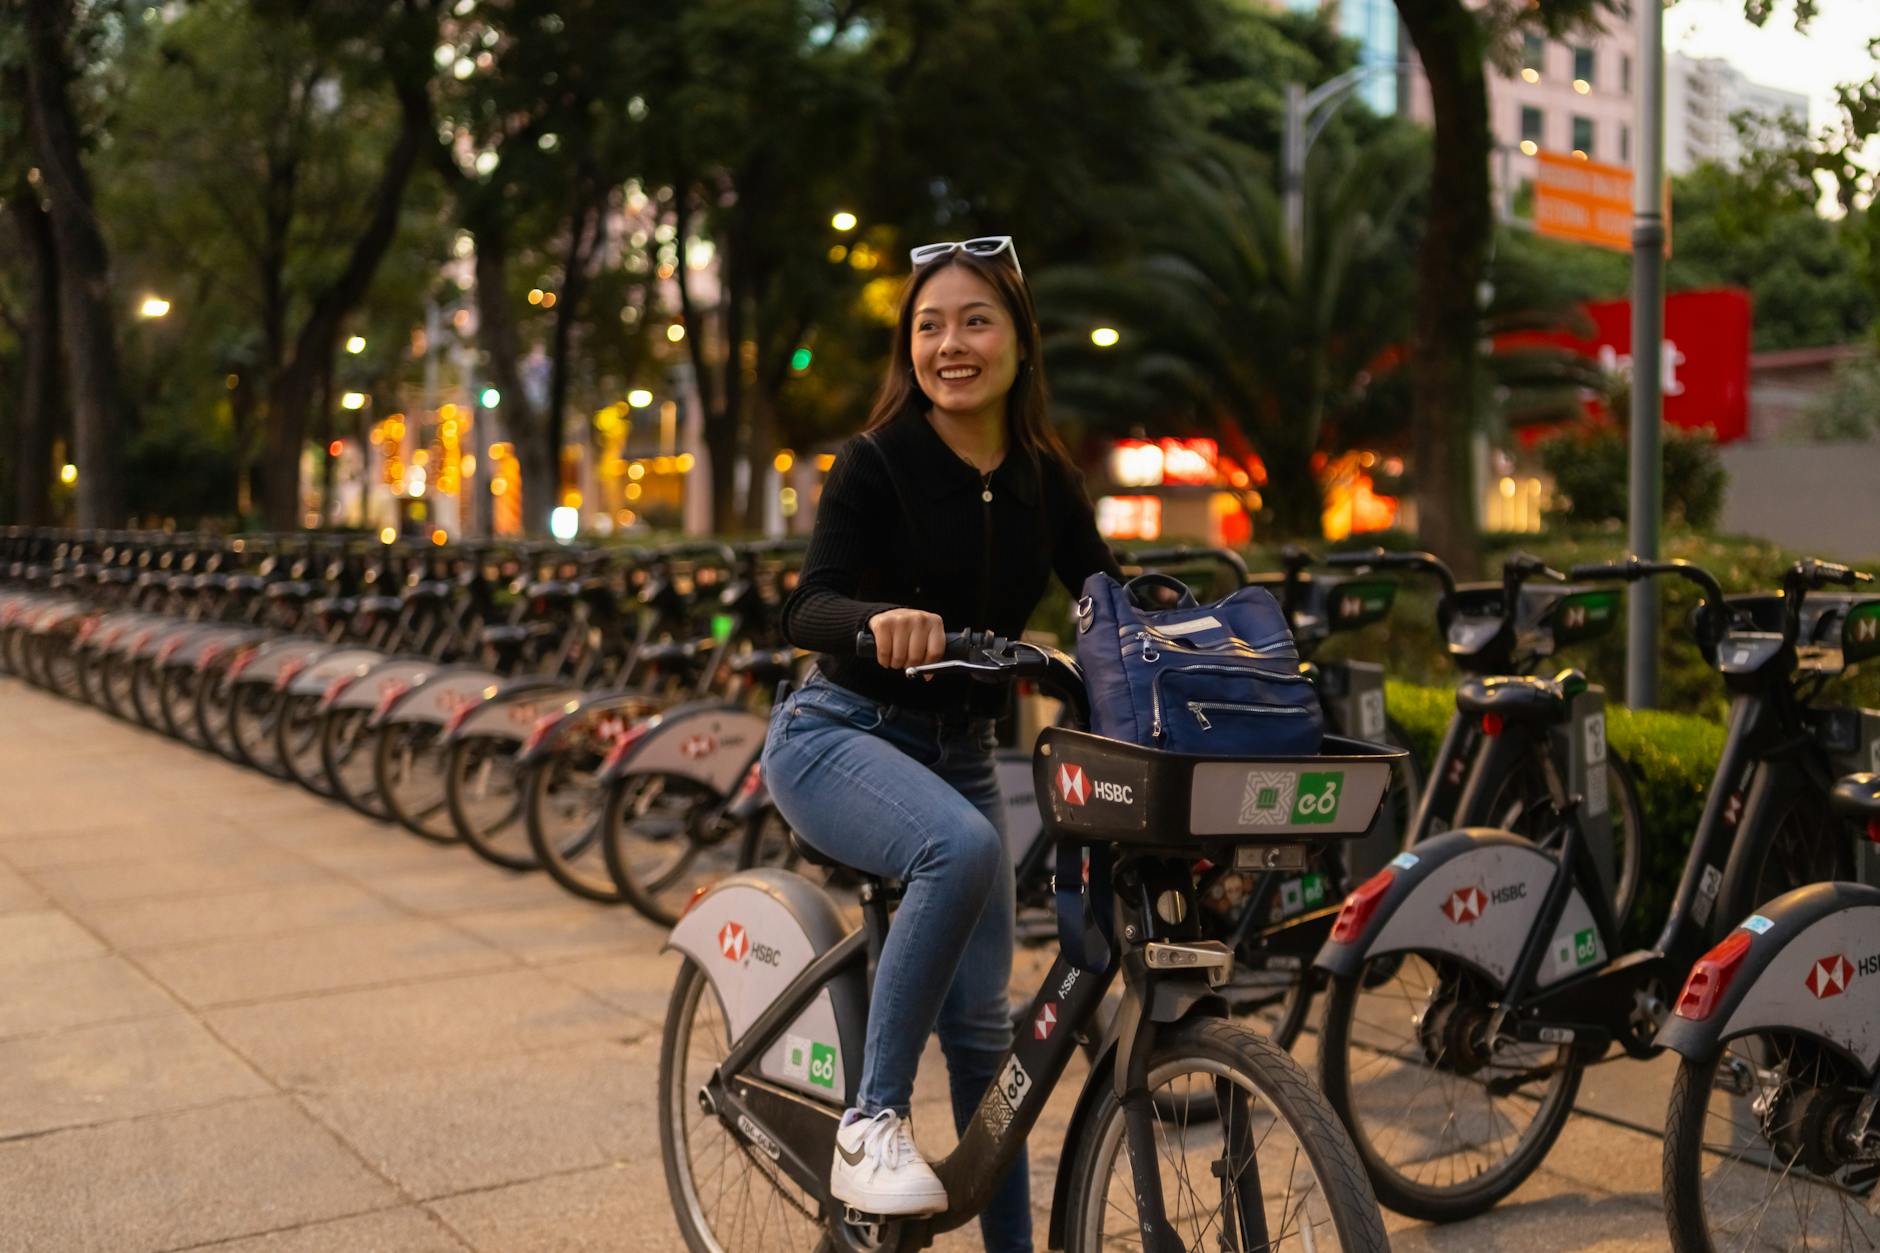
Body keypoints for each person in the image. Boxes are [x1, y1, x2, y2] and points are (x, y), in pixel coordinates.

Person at [763, 236, 1121, 1252]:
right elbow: (808, 606)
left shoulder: (1046, 479)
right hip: (836, 730)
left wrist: (1192, 640)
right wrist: (878, 619)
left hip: (956, 751)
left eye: (973, 320)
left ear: (1018, 343)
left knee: (983, 1043)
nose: (948, 343)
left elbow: (1106, 599)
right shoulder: (877, 460)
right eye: (928, 325)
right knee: (957, 846)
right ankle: (870, 1120)